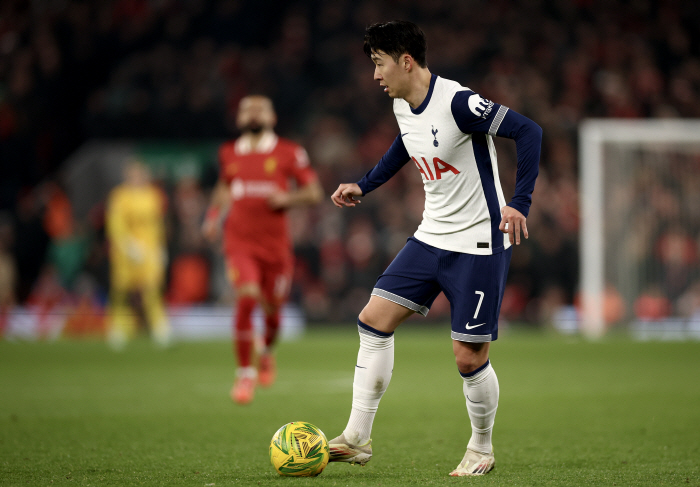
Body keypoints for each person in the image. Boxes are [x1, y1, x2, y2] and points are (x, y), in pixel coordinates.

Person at [329, 21, 542, 477]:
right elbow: (405, 147)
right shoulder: (404, 105)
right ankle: (357, 437)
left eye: (379, 63)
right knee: (373, 319)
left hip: (480, 242)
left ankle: (481, 447)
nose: (375, 75)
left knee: (469, 356)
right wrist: (363, 186)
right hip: (431, 236)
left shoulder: (460, 102)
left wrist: (518, 203)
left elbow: (529, 132)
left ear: (406, 61)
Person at [203, 95, 322, 405]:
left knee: (273, 311)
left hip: (276, 247)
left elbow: (313, 192)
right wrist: (213, 218)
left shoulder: (289, 152)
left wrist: (288, 200)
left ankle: (266, 351)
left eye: (259, 109)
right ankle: (245, 375)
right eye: (246, 110)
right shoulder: (228, 152)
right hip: (239, 242)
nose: (253, 114)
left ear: (272, 117)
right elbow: (224, 186)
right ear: (239, 118)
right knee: (247, 296)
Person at [106, 159, 171, 349]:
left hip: (149, 251)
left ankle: (159, 328)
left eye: (140, 174)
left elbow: (157, 224)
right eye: (133, 174)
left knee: (152, 289)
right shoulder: (119, 196)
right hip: (125, 252)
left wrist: (161, 248)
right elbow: (115, 224)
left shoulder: (153, 195)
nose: (137, 177)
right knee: (121, 291)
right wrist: (127, 245)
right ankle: (118, 329)